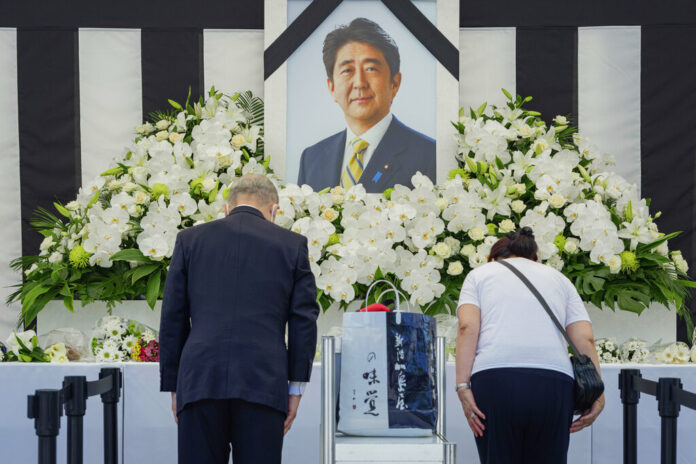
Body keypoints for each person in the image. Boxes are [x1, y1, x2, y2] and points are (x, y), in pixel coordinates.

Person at [159, 174, 319, 464]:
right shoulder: (293, 245)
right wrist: (295, 388)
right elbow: (303, 321)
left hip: (200, 380)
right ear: (274, 210)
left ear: (226, 208)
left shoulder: (189, 240)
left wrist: (175, 386)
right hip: (263, 381)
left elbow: (173, 316)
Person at [455, 227, 604, 464]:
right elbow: (585, 339)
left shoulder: (480, 275)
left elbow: (467, 328)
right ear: (535, 258)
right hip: (553, 383)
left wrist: (463, 386)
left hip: (495, 380)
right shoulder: (559, 279)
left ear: (494, 258)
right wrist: (598, 393)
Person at [297, 17, 436, 193]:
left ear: (395, 83)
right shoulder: (311, 159)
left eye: (370, 69)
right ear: (331, 87)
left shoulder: (430, 156)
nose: (359, 83)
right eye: (347, 70)